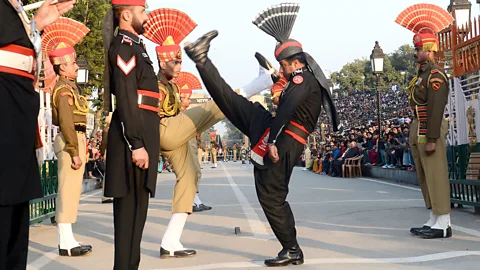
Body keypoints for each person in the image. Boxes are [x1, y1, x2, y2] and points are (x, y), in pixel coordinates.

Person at [183, 2, 339, 266]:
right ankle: (202, 59)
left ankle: (292, 248)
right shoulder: (295, 78)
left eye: (284, 65)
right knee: (231, 102)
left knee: (272, 195)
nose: (282, 70)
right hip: (275, 129)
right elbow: (284, 103)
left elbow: (288, 107)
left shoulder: (303, 79)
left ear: (296, 62)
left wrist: (274, 140)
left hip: (286, 138)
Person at [142, 7, 279, 258]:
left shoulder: (171, 85)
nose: (179, 65)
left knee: (190, 178)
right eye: (175, 61)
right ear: (162, 62)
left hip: (175, 134)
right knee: (215, 106)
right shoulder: (152, 83)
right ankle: (263, 81)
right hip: (163, 130)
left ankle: (170, 241)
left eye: (181, 60)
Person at [0, 0, 75, 268]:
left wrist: (37, 25)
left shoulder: (13, 7)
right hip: (6, 120)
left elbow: (25, 61)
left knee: (15, 232)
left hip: (17, 122)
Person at [102, 1, 160, 268]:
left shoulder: (136, 46)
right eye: (142, 11)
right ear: (126, 14)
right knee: (128, 222)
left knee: (137, 220)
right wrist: (136, 143)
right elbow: (125, 97)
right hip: (131, 142)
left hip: (142, 137)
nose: (146, 16)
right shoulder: (124, 47)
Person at [395, 3, 454, 239]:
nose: (415, 53)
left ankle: (444, 221)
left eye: (418, 48)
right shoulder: (422, 75)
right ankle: (434, 216)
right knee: (424, 174)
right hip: (418, 125)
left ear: (430, 49)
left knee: (436, 173)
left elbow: (436, 108)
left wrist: (431, 137)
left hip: (430, 126)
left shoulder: (436, 75)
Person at [45, 17, 93, 256]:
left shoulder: (71, 87)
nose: (76, 66)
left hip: (76, 139)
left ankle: (69, 239)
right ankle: (65, 242)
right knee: (67, 190)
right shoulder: (64, 90)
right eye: (73, 63)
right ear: (62, 66)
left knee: (72, 191)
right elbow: (66, 123)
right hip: (70, 140)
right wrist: (75, 151)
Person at [173, 72, 213, 212]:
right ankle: (190, 202)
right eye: (187, 98)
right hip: (184, 146)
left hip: (191, 143)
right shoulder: (177, 113)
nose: (188, 101)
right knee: (190, 173)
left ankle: (195, 200)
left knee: (195, 171)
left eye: (189, 98)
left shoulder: (185, 112)